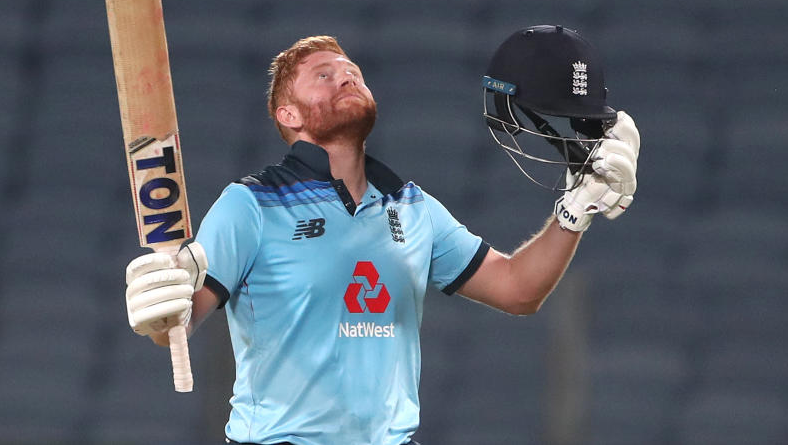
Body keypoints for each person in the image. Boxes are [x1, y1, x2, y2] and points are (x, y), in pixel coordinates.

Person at [124, 30, 640, 445]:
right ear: (288, 115)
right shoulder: (252, 204)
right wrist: (158, 310)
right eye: (323, 76)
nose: (345, 79)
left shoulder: (413, 206)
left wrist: (575, 210)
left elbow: (518, 290)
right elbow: (182, 318)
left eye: (353, 74)